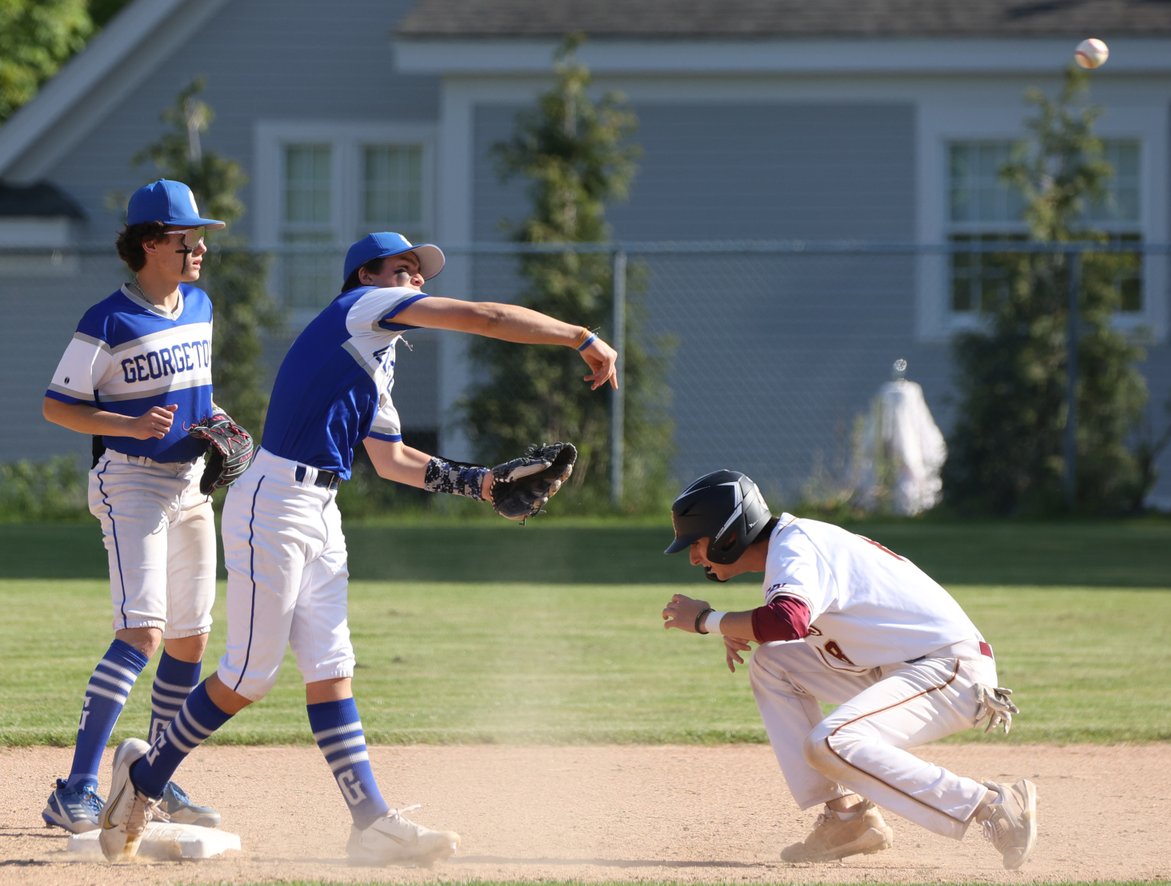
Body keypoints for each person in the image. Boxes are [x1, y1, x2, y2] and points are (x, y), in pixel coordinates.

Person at [96, 231, 619, 865]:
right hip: (274, 504)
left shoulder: (375, 358)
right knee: (249, 675)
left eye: (419, 273)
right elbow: (482, 318)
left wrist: (480, 484)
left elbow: (392, 459)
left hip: (320, 509)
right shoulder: (360, 309)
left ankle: (371, 824)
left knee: (331, 670)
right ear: (366, 277)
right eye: (404, 269)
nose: (417, 281)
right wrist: (579, 336)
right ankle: (142, 779)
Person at [660, 470, 1037, 870]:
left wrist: (708, 619)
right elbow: (786, 629)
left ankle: (991, 805)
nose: (693, 557)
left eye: (696, 543)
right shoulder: (793, 545)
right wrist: (736, 625)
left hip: (948, 669)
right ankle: (848, 819)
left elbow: (787, 621)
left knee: (830, 743)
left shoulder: (795, 549)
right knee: (774, 663)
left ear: (727, 535)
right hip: (898, 664)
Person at [41, 179, 240, 833]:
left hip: (189, 485)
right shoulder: (108, 320)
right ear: (153, 243)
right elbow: (57, 405)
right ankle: (74, 789)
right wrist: (125, 426)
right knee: (143, 632)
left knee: (190, 636)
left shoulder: (200, 304)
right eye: (189, 237)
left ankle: (152, 776)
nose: (200, 246)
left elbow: (196, 392)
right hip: (129, 482)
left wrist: (215, 420)